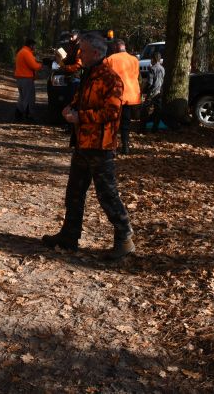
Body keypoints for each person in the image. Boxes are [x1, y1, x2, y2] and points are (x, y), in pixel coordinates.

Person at [42, 33, 135, 260]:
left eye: (82, 50)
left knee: (107, 195)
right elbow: (80, 98)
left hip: (100, 147)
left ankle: (124, 239)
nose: (79, 54)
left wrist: (80, 117)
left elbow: (112, 113)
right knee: (74, 192)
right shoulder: (89, 74)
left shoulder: (110, 78)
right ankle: (69, 236)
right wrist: (69, 109)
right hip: (82, 144)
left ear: (95, 52)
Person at [103, 39, 142, 154]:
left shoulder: (110, 59)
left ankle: (112, 148)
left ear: (115, 47)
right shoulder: (134, 60)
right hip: (131, 96)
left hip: (116, 96)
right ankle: (125, 146)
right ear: (124, 47)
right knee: (126, 123)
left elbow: (105, 77)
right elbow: (136, 75)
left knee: (113, 123)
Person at [14, 38, 42, 122]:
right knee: (29, 98)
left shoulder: (23, 51)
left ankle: (18, 115)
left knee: (22, 98)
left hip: (21, 78)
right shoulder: (26, 53)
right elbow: (34, 66)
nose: (35, 47)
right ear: (31, 45)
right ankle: (29, 116)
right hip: (26, 78)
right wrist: (41, 64)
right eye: (34, 46)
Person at [142, 53, 165, 131]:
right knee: (158, 110)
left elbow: (150, 83)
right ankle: (155, 128)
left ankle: (143, 128)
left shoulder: (152, 69)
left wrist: (144, 90)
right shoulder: (162, 68)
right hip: (159, 91)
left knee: (145, 109)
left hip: (152, 92)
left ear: (153, 59)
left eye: (151, 59)